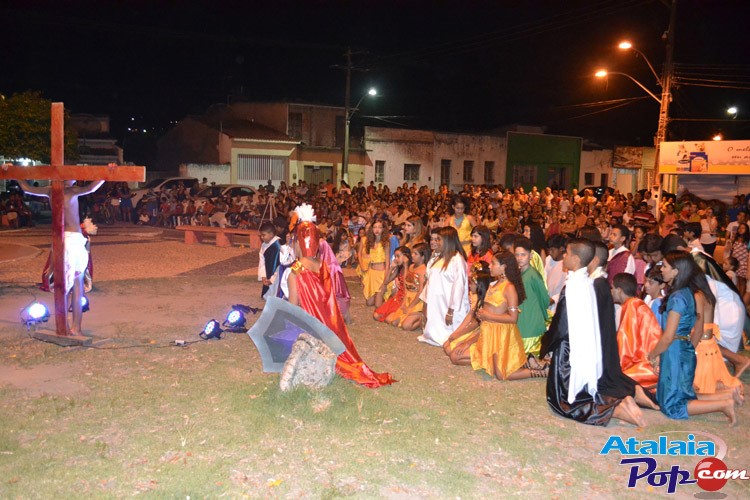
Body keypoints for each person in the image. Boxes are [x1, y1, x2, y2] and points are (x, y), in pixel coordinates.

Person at [286, 204, 394, 388]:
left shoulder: (295, 270)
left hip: (309, 327)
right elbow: (328, 299)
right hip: (328, 325)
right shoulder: (323, 265)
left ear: (298, 242)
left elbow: (293, 307)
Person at [542, 239, 645, 427]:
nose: (564, 256)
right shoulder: (588, 282)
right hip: (584, 345)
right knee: (580, 391)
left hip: (568, 349)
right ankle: (621, 402)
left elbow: (562, 324)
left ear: (575, 258)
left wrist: (547, 342)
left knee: (563, 401)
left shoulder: (572, 287)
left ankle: (615, 410)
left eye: (567, 253)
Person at [647, 251, 736, 423]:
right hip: (682, 349)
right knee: (678, 395)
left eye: (665, 266)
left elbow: (668, 337)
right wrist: (688, 350)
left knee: (672, 406)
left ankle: (724, 404)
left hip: (675, 351)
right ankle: (726, 397)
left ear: (676, 271)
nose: (662, 269)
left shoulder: (678, 297)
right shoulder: (688, 292)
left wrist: (652, 354)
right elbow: (698, 329)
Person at [18, 179, 105, 335]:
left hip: (62, 238)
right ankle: (73, 328)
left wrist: (13, 173)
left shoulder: (50, 191)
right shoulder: (72, 191)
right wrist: (107, 173)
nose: (75, 179)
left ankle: (66, 326)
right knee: (74, 285)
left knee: (65, 285)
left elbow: (26, 188)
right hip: (72, 240)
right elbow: (92, 188)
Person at [418, 226, 470, 346]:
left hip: (448, 303)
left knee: (449, 335)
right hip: (437, 302)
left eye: (439, 240)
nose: (437, 242)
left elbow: (459, 286)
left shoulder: (457, 259)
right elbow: (430, 281)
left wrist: (451, 310)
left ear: (447, 241)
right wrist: (426, 302)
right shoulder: (439, 257)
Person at [612, 273, 661, 389]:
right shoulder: (635, 304)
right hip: (649, 362)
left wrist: (617, 369)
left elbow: (627, 346)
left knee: (614, 381)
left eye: (612, 288)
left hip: (647, 365)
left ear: (619, 290)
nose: (611, 291)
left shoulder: (632, 306)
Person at [514, 237, 549, 358]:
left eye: (523, 255)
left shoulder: (533, 275)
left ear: (531, 255)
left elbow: (544, 298)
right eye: (517, 255)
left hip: (532, 319)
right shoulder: (518, 274)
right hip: (521, 317)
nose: (519, 258)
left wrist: (542, 316)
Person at [395, 242, 430, 331]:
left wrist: (410, 307)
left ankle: (422, 318)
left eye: (415, 254)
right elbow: (406, 284)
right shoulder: (411, 266)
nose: (412, 256)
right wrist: (404, 302)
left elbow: (421, 291)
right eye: (412, 253)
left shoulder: (423, 270)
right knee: (392, 321)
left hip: (418, 300)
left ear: (423, 256)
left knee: (406, 326)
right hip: (408, 297)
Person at [373, 246, 411, 323]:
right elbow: (386, 282)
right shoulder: (399, 268)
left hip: (406, 297)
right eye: (395, 256)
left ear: (405, 256)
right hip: (398, 297)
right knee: (376, 315)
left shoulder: (411, 268)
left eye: (398, 256)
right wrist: (391, 268)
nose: (396, 259)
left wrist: (406, 265)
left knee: (389, 319)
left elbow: (406, 285)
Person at [359, 220, 390, 307]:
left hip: (381, 275)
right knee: (369, 303)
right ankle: (378, 295)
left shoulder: (386, 243)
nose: (377, 229)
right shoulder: (369, 242)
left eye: (379, 227)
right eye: (375, 227)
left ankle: (382, 296)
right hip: (371, 273)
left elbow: (388, 263)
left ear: (383, 229)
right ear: (372, 229)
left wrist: (385, 281)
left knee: (377, 306)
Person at [258, 222, 281, 298]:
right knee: (268, 295)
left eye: (263, 235)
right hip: (267, 272)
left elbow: (280, 265)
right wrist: (263, 275)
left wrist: (272, 279)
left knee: (276, 293)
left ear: (271, 234)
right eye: (261, 235)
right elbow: (262, 261)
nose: (262, 237)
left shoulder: (278, 245)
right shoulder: (264, 244)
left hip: (277, 275)